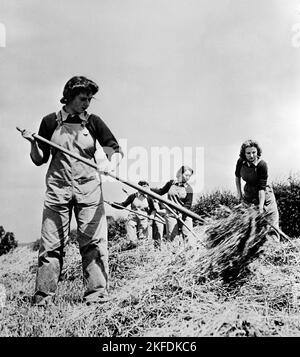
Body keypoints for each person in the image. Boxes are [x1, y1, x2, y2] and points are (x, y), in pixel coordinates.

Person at [20, 76, 123, 306]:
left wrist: (109, 162)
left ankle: (96, 296)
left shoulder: (94, 122)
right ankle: (43, 299)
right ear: (69, 97)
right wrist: (33, 143)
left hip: (89, 190)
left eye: (89, 99)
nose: (87, 104)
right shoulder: (49, 122)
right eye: (82, 99)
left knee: (94, 243)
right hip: (58, 190)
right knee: (51, 245)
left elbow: (113, 147)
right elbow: (40, 159)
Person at [235, 139, 279, 239]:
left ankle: (275, 248)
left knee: (271, 224)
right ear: (244, 153)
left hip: (265, 195)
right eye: (248, 153)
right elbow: (237, 177)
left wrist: (261, 207)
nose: (251, 155)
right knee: (251, 224)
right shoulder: (240, 162)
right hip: (249, 193)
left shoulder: (262, 165)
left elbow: (261, 189)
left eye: (254, 152)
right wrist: (240, 195)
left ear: (257, 152)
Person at [152, 165, 195, 245]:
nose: (188, 177)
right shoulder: (171, 184)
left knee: (188, 237)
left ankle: (190, 254)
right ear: (180, 174)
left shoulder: (189, 188)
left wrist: (182, 214)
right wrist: (149, 189)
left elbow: (188, 204)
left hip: (184, 214)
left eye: (189, 176)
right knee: (173, 238)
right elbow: (160, 192)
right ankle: (174, 255)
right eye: (186, 175)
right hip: (171, 214)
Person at [112, 181, 155, 249]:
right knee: (131, 239)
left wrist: (152, 215)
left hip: (143, 219)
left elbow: (153, 209)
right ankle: (132, 249)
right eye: (143, 187)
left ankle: (142, 254)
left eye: (146, 188)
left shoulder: (148, 198)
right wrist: (112, 204)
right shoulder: (132, 196)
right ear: (138, 188)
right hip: (132, 218)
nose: (145, 190)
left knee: (142, 239)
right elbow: (123, 205)